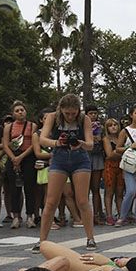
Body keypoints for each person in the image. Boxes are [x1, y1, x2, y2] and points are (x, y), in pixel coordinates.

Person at [37, 95, 98, 250]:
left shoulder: (84, 119)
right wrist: (57, 142)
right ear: (61, 110)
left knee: (83, 200)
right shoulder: (52, 117)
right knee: (51, 201)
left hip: (80, 159)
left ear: (78, 110)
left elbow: (91, 144)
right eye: (67, 113)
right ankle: (42, 240)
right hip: (59, 158)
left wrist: (81, 143)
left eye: (73, 113)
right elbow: (42, 139)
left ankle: (90, 238)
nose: (71, 116)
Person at [3, 101, 38, 229]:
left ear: (26, 111)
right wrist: (14, 158)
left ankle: (30, 216)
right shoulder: (9, 127)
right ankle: (16, 216)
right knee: (14, 189)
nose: (20, 112)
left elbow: (34, 144)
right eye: (17, 111)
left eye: (22, 110)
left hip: (28, 157)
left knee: (30, 188)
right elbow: (5, 145)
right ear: (13, 113)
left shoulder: (32, 125)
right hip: (13, 157)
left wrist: (21, 157)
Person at [99, 117, 125, 225]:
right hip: (110, 166)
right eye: (110, 125)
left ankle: (121, 214)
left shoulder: (121, 138)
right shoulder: (106, 139)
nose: (113, 127)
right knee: (109, 192)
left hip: (121, 165)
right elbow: (109, 155)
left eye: (115, 124)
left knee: (120, 192)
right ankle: (109, 215)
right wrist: (122, 150)